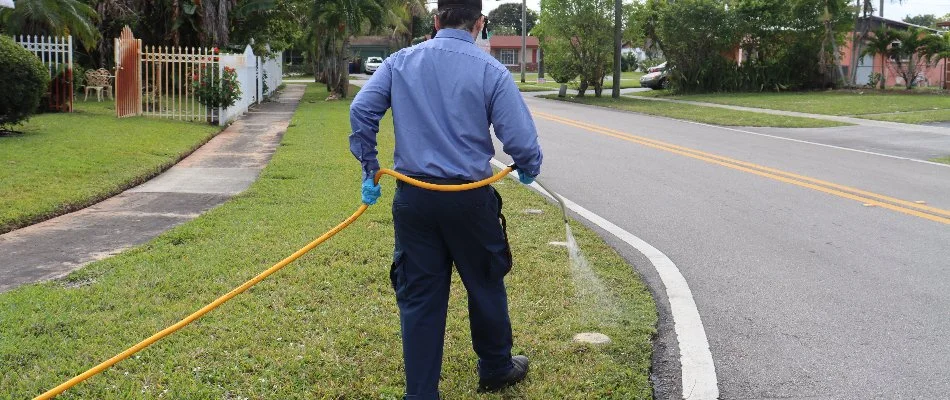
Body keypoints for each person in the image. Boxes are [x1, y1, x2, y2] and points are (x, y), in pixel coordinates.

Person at [348, 0, 543, 398]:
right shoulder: (491, 69)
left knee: (420, 296)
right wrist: (527, 165)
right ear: (480, 24)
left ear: (435, 21)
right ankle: (495, 368)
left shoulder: (401, 62)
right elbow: (521, 141)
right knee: (486, 282)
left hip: (414, 199)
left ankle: (420, 393)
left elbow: (361, 110)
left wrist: (370, 168)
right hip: (471, 200)